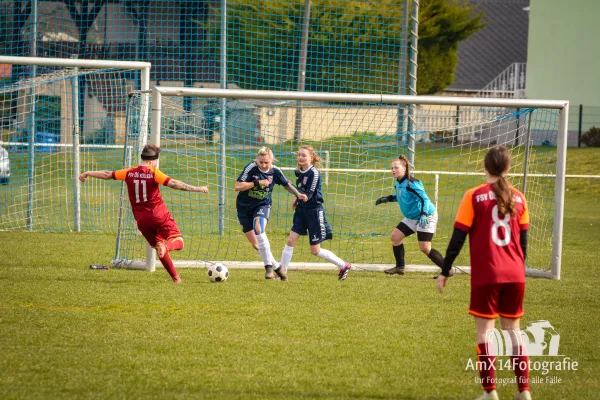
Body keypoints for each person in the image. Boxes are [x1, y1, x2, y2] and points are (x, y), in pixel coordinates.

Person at [437, 145, 531, 400]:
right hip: (515, 274)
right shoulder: (519, 198)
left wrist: (444, 271)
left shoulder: (473, 196)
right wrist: (518, 271)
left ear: (484, 166)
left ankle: (490, 392)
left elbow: (457, 239)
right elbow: (523, 244)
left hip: (488, 274)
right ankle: (524, 391)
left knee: (485, 333)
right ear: (508, 168)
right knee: (514, 330)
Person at [78, 144, 208, 284]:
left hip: (142, 221)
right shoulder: (154, 173)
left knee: (158, 245)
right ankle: (167, 247)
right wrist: (197, 188)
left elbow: (106, 174)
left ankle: (176, 279)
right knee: (178, 242)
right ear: (153, 161)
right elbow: (174, 184)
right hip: (159, 215)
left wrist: (88, 173)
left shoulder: (129, 172)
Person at [278, 145, 352, 281]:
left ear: (311, 157)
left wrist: (295, 192)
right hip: (301, 212)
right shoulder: (299, 172)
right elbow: (301, 190)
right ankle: (282, 273)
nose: (300, 157)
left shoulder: (314, 173)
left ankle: (343, 265)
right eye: (299, 155)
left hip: (314, 213)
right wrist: (296, 197)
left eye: (304, 155)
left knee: (315, 250)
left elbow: (308, 194)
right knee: (290, 241)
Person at [234, 146, 308, 280]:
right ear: (257, 160)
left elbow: (286, 184)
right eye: (261, 162)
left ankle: (268, 267)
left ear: (272, 161)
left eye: (266, 162)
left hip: (262, 205)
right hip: (244, 208)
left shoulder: (275, 171)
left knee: (259, 228)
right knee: (256, 244)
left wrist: (298, 194)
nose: (263, 165)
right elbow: (238, 186)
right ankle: (277, 267)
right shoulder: (251, 168)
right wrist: (257, 183)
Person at [374, 155, 445, 276]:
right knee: (395, 237)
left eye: (396, 167)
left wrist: (424, 214)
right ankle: (400, 267)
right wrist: (388, 198)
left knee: (425, 248)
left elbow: (424, 200)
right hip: (412, 217)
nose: (393, 170)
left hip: (427, 215)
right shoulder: (398, 184)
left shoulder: (412, 183)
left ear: (404, 168)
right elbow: (401, 196)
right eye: (392, 168)